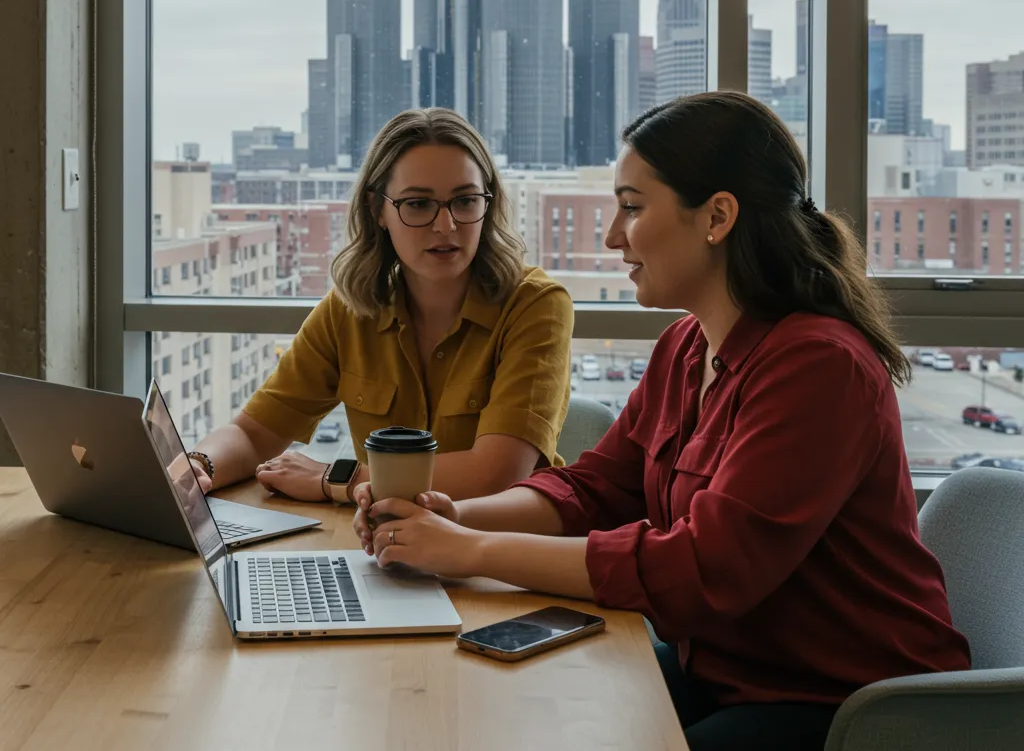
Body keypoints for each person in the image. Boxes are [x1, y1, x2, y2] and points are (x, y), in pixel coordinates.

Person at [352, 92, 971, 751]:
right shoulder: (686, 348)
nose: (615, 235)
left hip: (845, 706)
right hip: (731, 673)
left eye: (632, 207)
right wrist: (452, 518)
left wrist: (471, 552)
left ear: (717, 217)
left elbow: (706, 569)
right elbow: (599, 489)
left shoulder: (819, 366)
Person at [186, 108, 573, 505]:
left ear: (487, 204)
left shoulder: (536, 305)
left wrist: (338, 479)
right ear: (377, 210)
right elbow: (255, 433)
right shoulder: (350, 310)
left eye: (465, 201)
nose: (446, 226)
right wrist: (198, 465)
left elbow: (495, 475)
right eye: (419, 204)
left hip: (504, 553)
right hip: (381, 547)